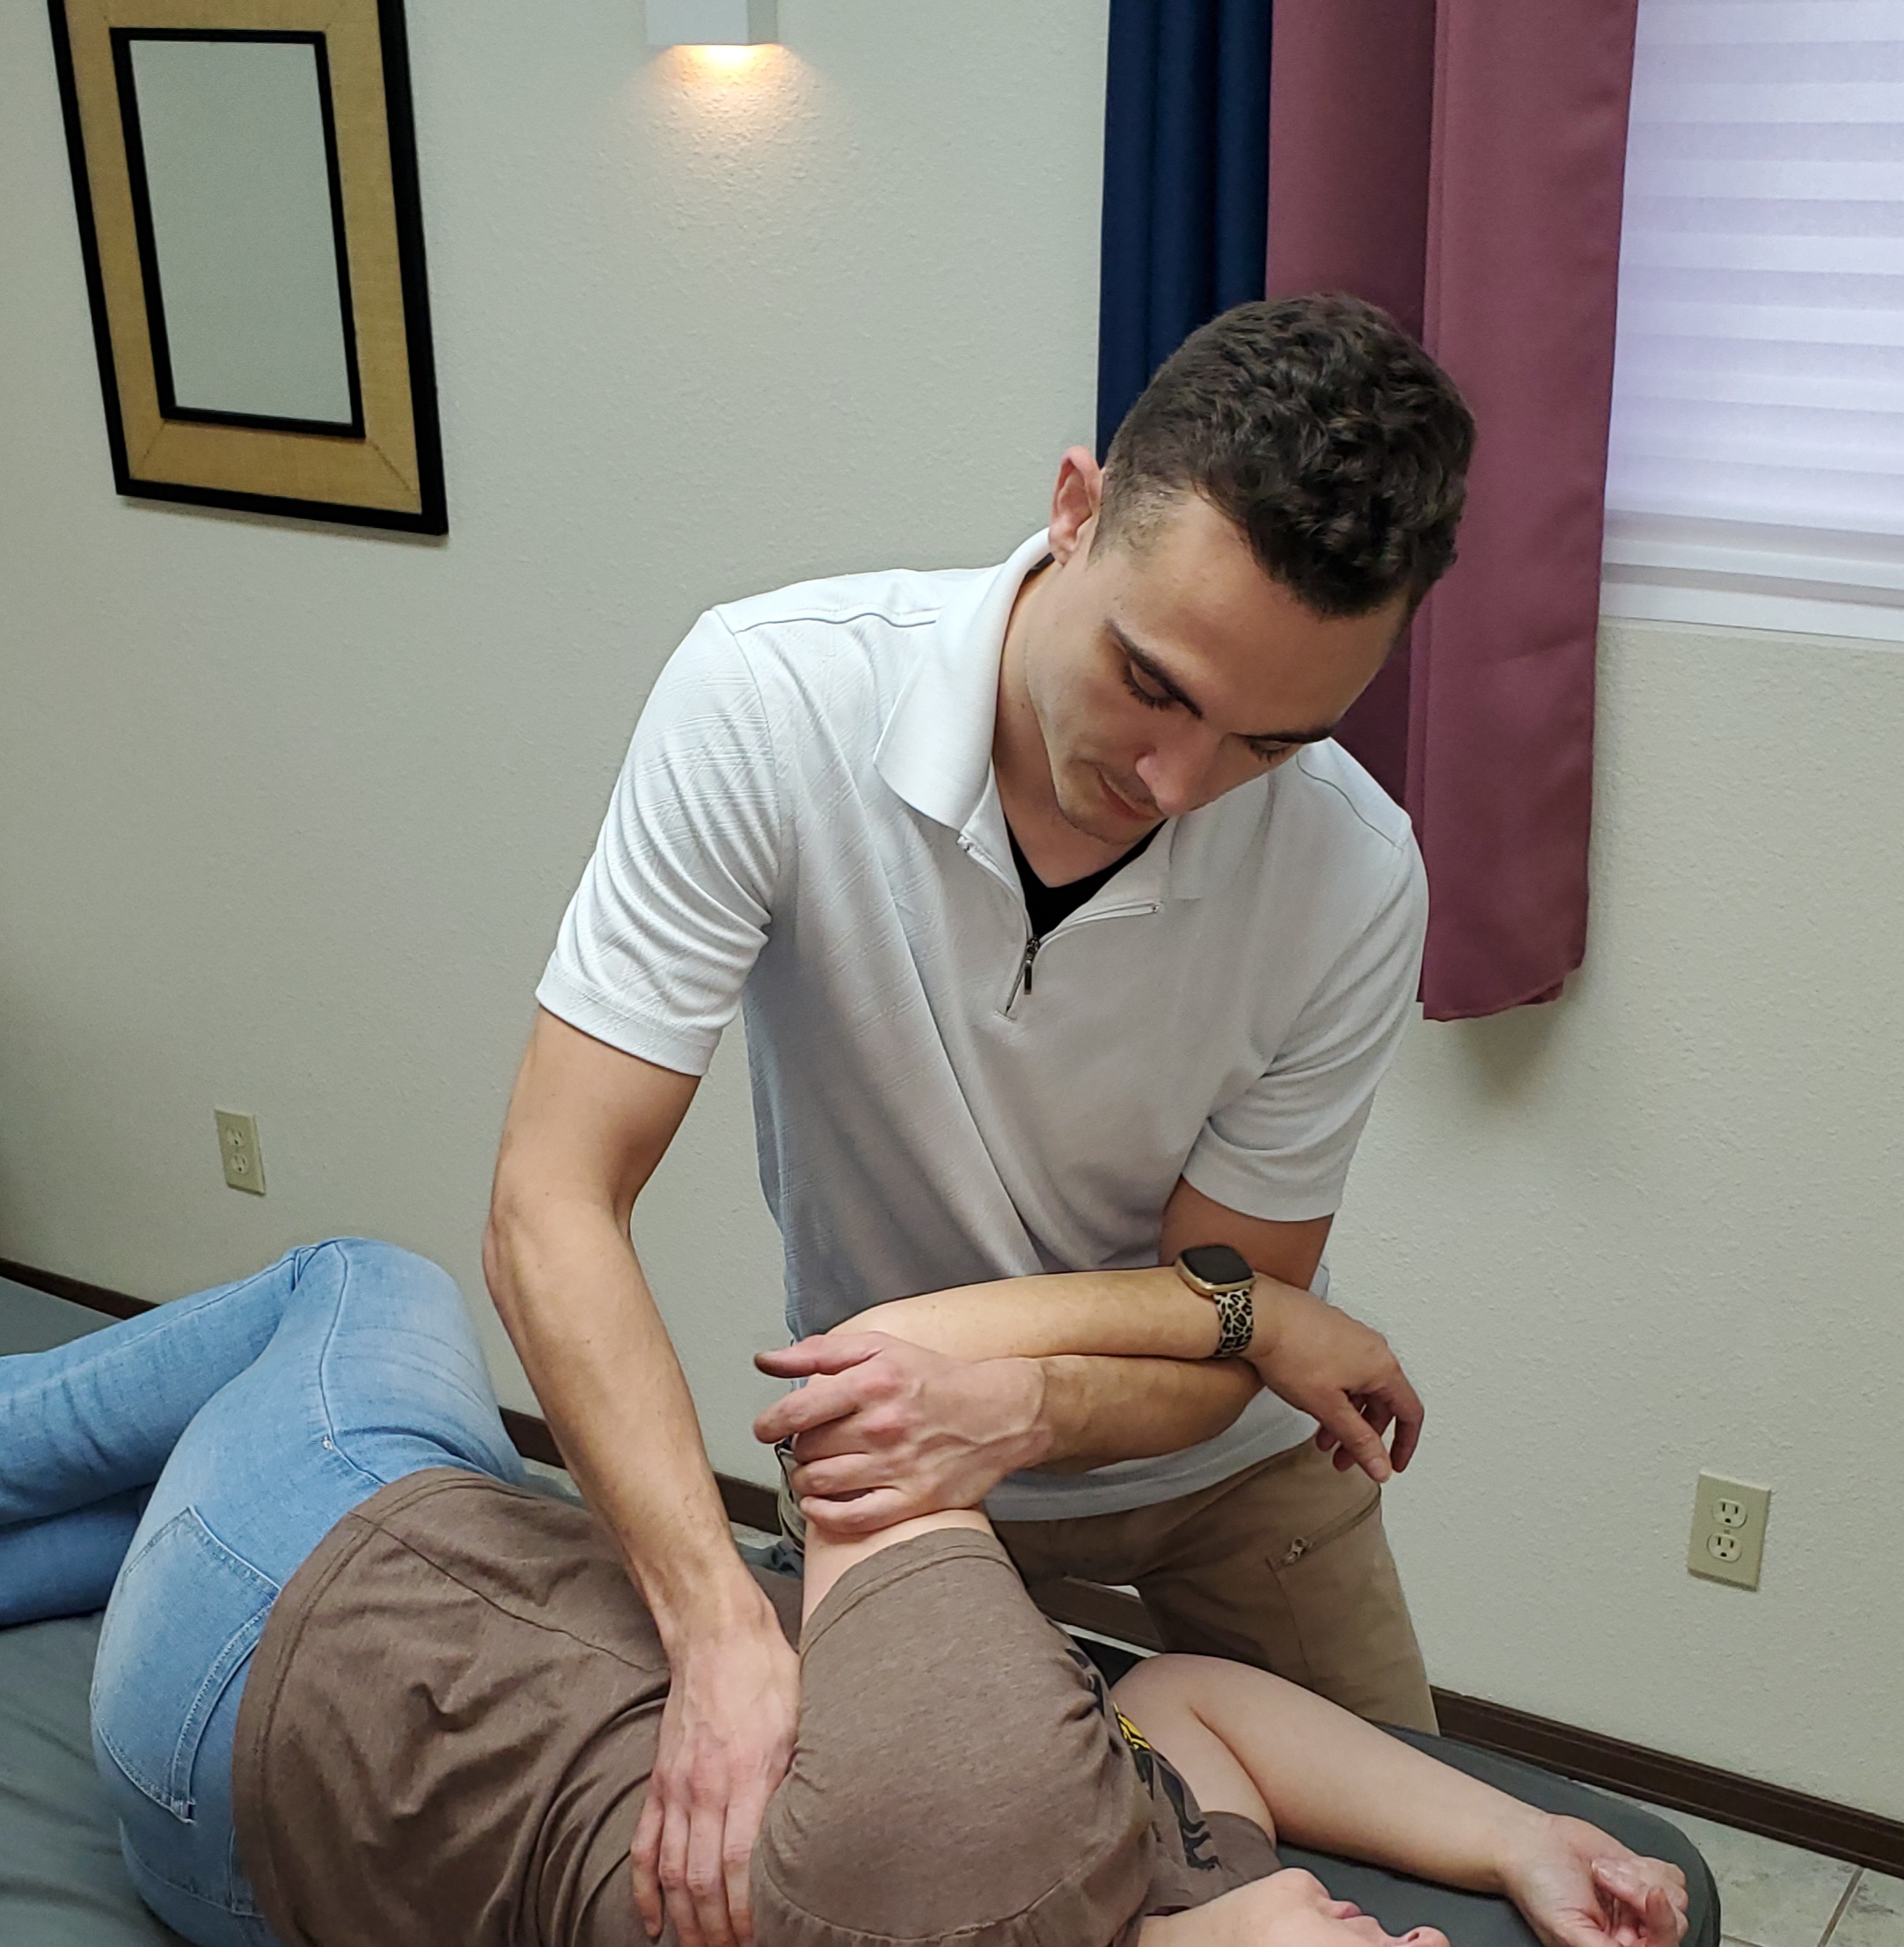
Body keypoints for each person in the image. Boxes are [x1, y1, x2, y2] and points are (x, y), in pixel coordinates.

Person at [485, 293, 1477, 1943]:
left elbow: (1222, 1318)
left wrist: (1021, 1398)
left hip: (1212, 1462)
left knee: (1441, 1859)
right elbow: (549, 1200)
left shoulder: (1351, 872)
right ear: (1074, 507)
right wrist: (716, 1621)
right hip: (899, 1472)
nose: (1177, 783)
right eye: (1151, 683)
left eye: (1268, 740)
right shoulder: (771, 701)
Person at [0, 1239, 1702, 1947]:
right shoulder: (1124, 1884)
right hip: (274, 1856)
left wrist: (1251, 1311)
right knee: (174, 1491)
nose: (1411, 1935)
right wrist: (1516, 1836)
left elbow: (872, 1381)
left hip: (302, 1649)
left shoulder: (997, 1829)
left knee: (358, 1288)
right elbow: (1202, 1710)